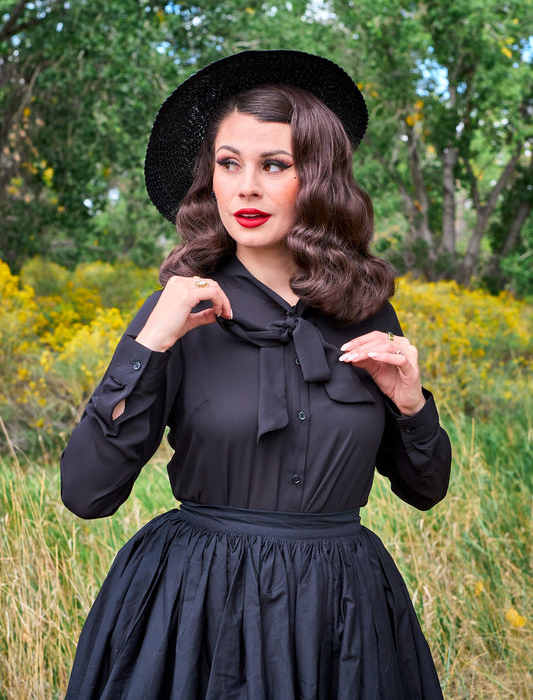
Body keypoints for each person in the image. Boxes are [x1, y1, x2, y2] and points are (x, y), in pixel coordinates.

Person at [61, 50, 452, 699]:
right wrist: (152, 342)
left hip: (342, 613)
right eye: (228, 163)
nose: (246, 188)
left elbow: (425, 489)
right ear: (208, 178)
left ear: (318, 180)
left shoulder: (366, 312)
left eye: (274, 165)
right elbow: (86, 492)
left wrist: (412, 406)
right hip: (196, 610)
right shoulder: (178, 311)